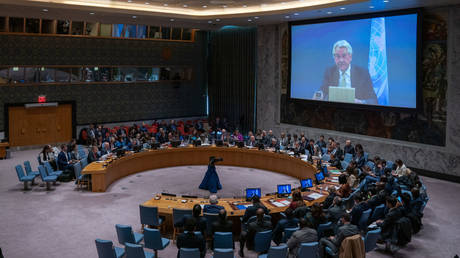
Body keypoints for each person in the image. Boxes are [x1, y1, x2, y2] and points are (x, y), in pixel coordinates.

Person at [318, 40, 378, 104]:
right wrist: (319, 95)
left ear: (350, 57)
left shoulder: (362, 73)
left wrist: (361, 102)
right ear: (334, 58)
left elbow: (373, 100)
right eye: (338, 56)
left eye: (344, 56)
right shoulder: (330, 71)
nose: (341, 60)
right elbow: (323, 90)